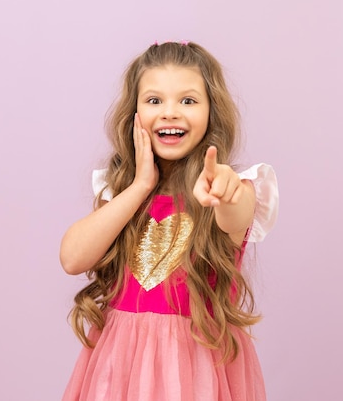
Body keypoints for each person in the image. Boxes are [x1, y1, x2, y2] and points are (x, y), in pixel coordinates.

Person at [60, 41, 279, 401]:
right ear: (134, 113)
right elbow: (72, 258)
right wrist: (140, 186)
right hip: (121, 370)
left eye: (188, 101)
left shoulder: (230, 187)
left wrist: (226, 193)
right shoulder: (121, 194)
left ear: (212, 112)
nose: (170, 113)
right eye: (154, 100)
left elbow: (234, 217)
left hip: (196, 369)